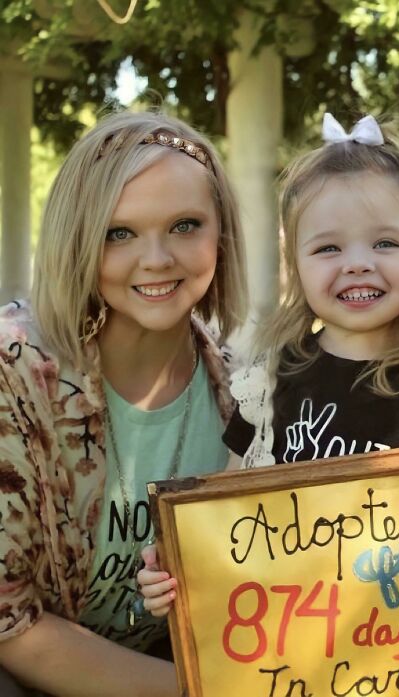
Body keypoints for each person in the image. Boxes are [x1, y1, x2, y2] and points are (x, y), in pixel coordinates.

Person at [138, 113, 399, 640]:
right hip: (303, 650)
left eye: (385, 244)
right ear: (297, 262)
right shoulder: (273, 382)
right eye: (329, 248)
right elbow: (224, 510)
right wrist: (174, 562)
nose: (357, 264)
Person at [0, 111, 247, 697]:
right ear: (78, 240)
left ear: (222, 234)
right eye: (120, 233)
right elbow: (7, 620)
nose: (157, 258)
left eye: (186, 225)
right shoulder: (12, 374)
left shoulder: (244, 394)